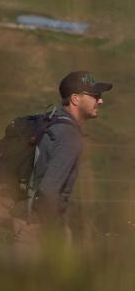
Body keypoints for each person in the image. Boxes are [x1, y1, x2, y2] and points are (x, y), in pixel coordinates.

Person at [32, 71, 112, 232]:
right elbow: (48, 189)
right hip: (39, 225)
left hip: (29, 217)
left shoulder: (53, 122)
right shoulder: (68, 135)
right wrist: (55, 231)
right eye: (95, 96)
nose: (100, 100)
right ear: (75, 99)